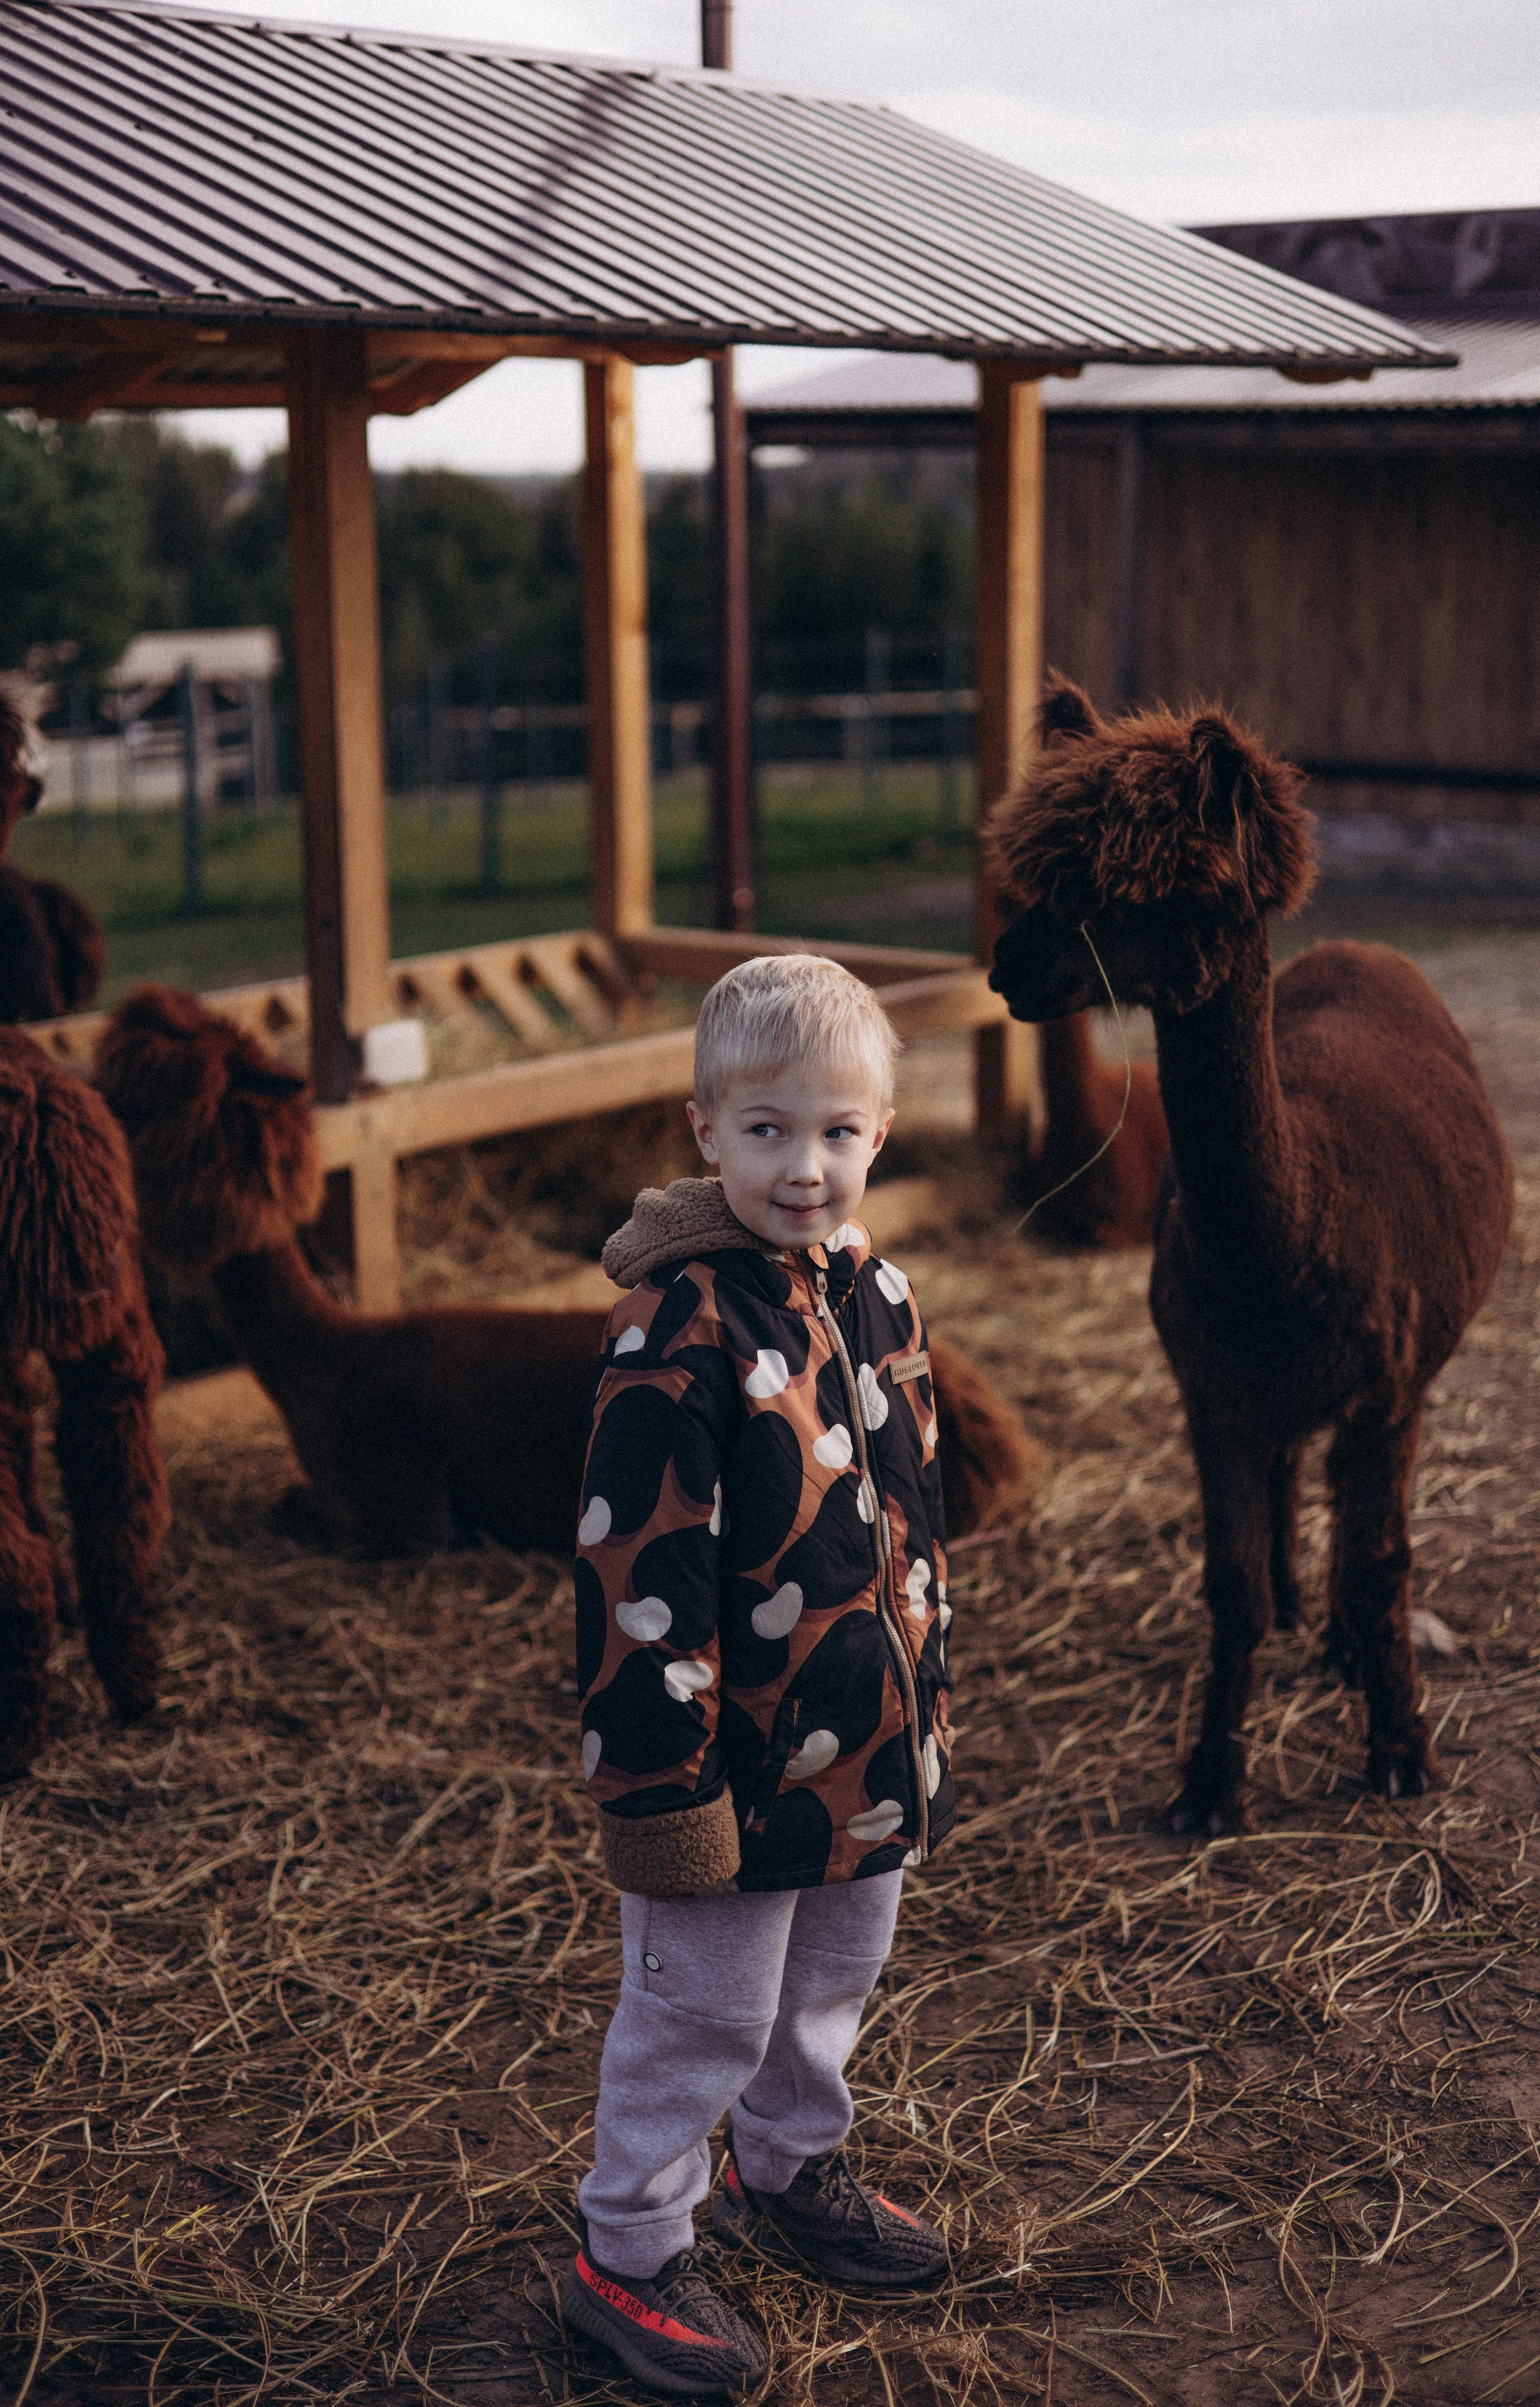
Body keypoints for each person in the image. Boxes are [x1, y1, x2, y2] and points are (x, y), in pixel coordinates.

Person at [563, 953, 956, 2397]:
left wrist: (919, 1709)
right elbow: (635, 1577)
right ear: (703, 1130)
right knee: (703, 2012)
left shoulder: (879, 1296)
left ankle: (783, 2175)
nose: (807, 1168)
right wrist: (662, 1794)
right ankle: (627, 2249)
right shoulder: (677, 1335)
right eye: (769, 1131)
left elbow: (908, 1515)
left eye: (838, 1132)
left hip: (861, 1744)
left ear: (883, 1133)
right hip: (720, 1768)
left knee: (832, 1982)